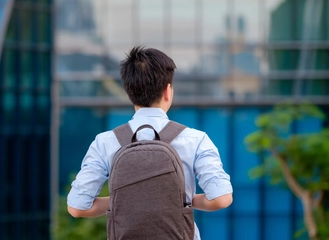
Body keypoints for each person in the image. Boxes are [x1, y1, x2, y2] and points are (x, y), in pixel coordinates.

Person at [67, 46, 233, 240]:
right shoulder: (196, 140)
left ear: (129, 92)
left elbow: (77, 207)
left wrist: (129, 201)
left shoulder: (105, 142)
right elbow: (221, 199)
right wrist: (180, 202)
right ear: (168, 91)